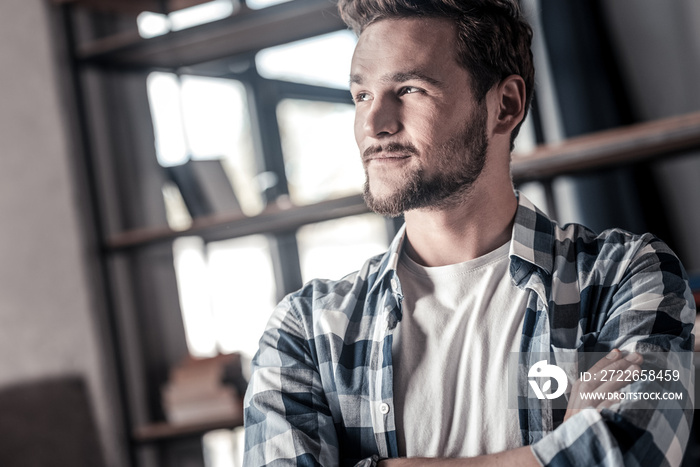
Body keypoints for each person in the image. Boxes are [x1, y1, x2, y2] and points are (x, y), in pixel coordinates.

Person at [243, 1, 695, 466]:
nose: (374, 125)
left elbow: (638, 453)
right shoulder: (305, 330)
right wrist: (551, 453)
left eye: (410, 89)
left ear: (505, 106)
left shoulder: (633, 274)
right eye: (361, 96)